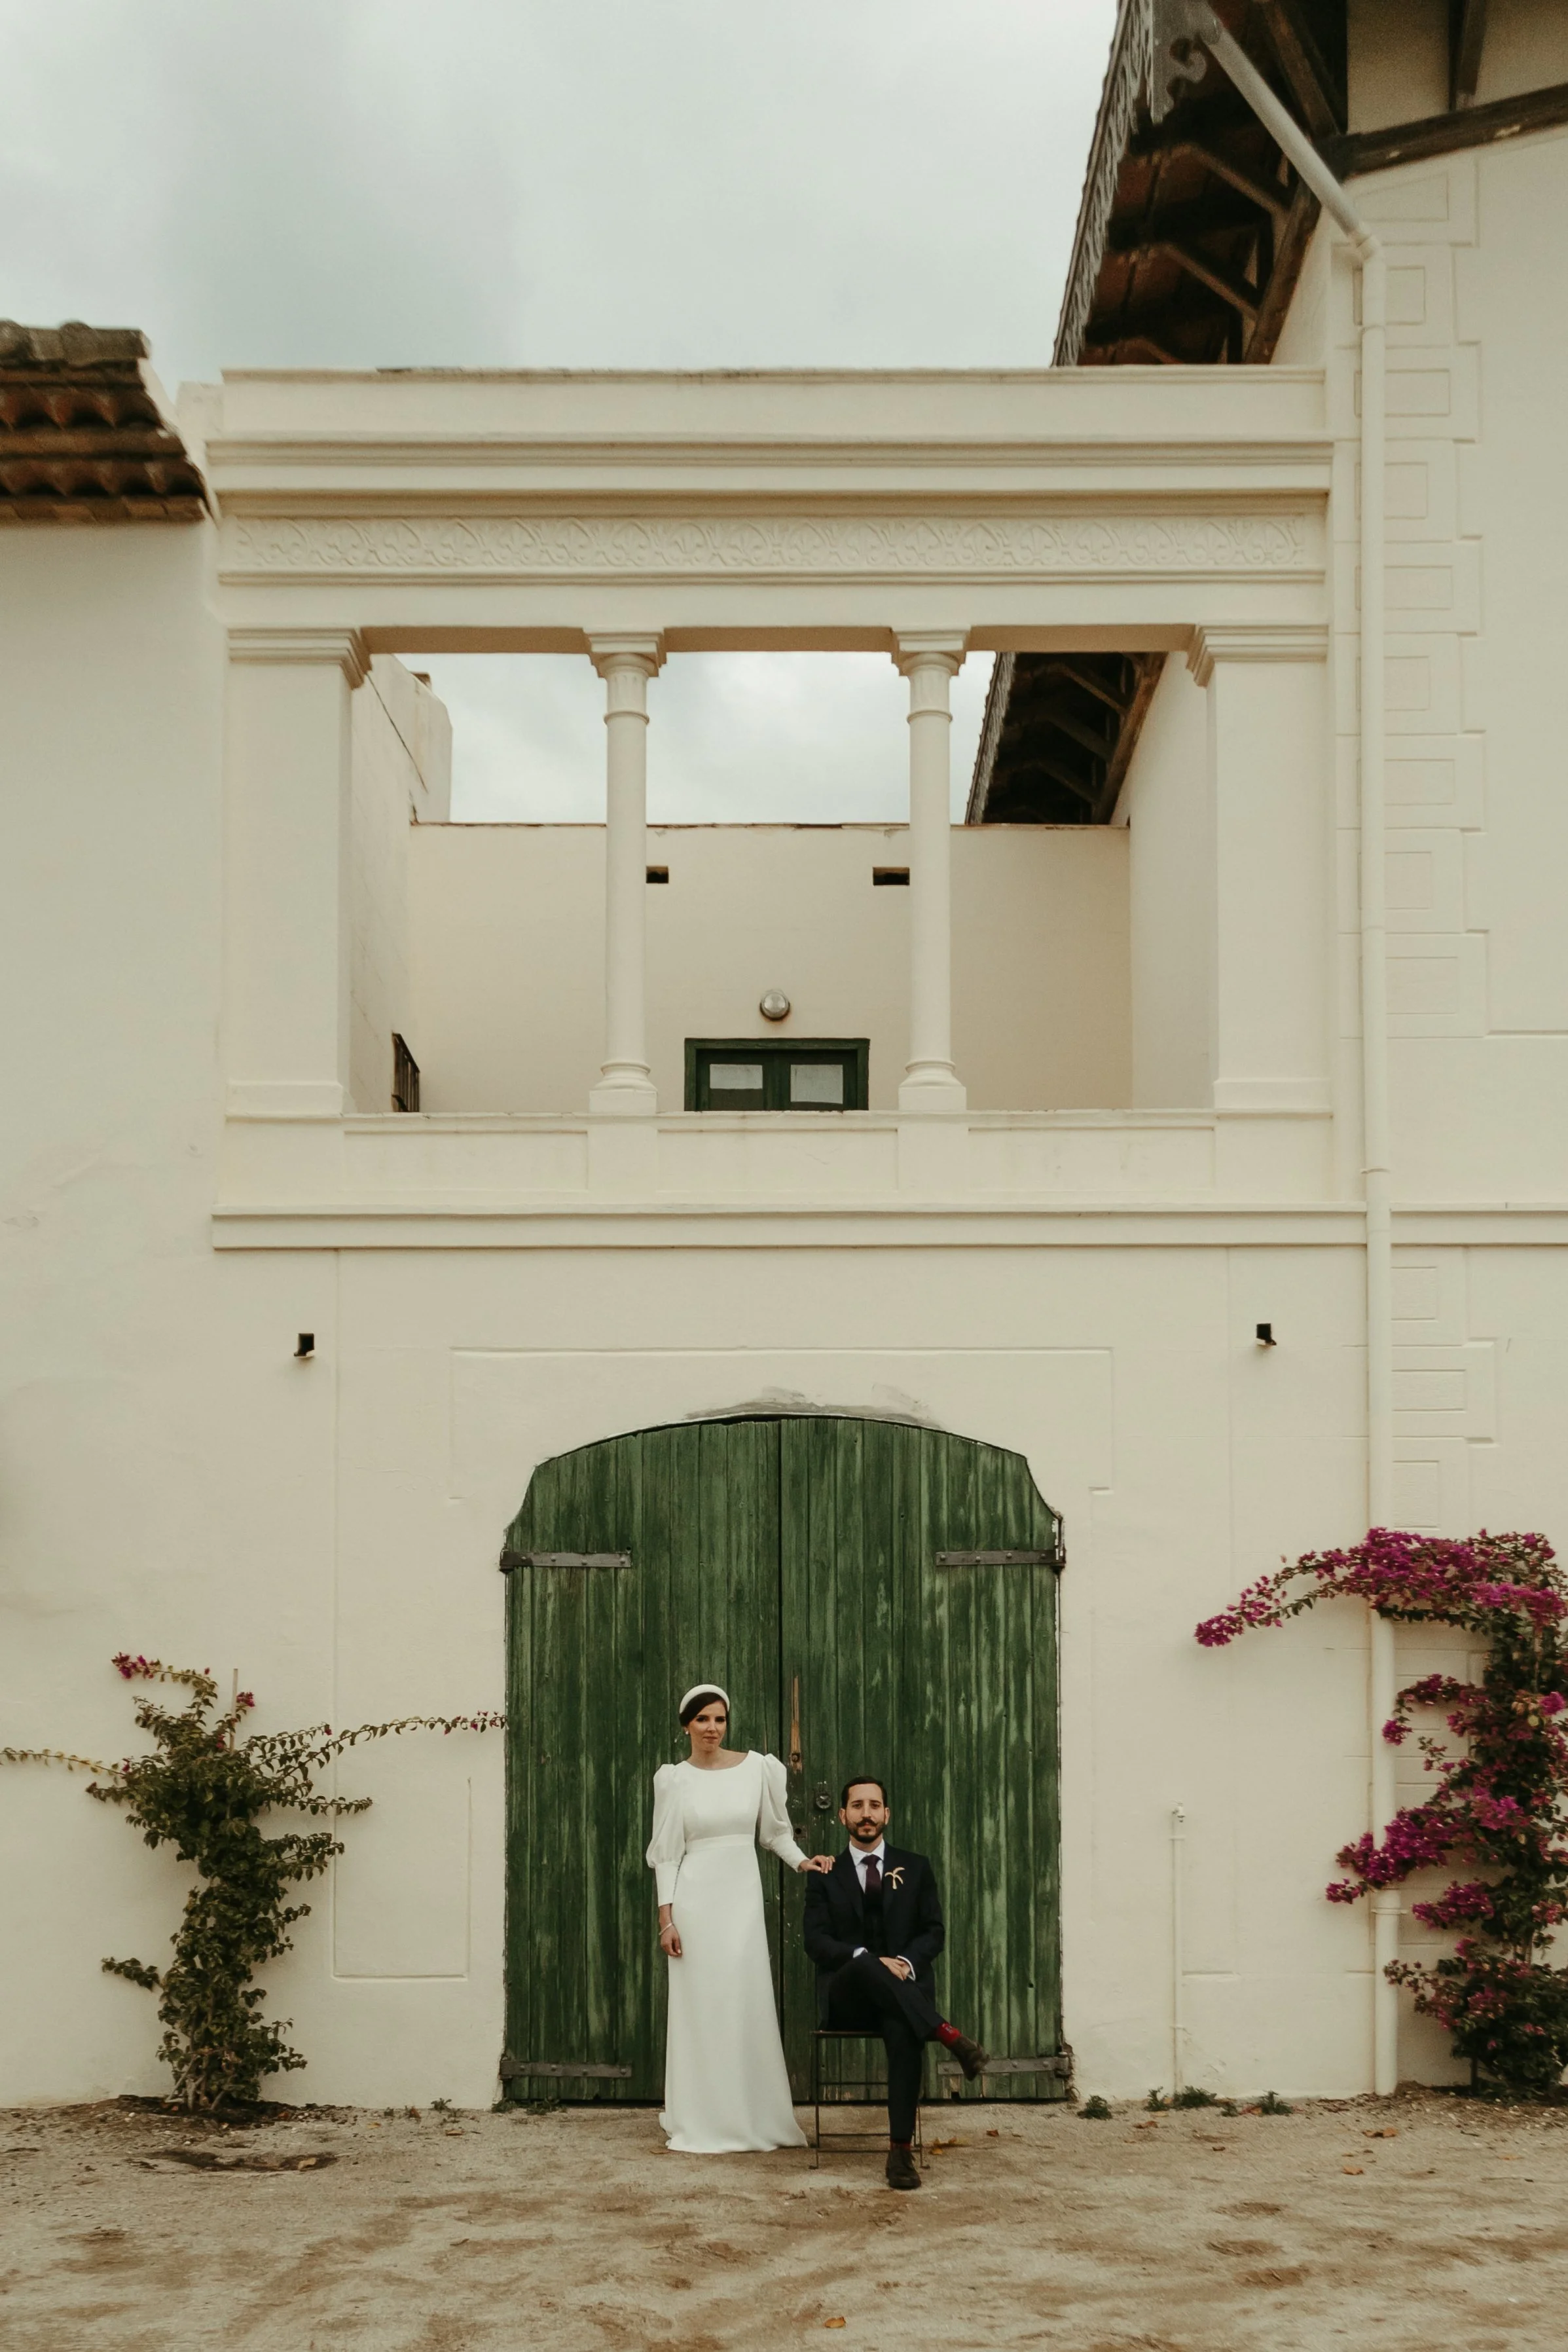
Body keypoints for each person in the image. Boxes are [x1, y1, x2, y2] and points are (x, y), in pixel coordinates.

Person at [646, 1681, 833, 2154]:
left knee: (743, 2000)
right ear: (686, 1725)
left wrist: (801, 1861)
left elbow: (774, 1832)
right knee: (700, 2007)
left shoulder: (758, 1769)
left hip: (741, 1901)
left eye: (719, 1719)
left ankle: (752, 2114)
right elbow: (666, 1853)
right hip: (694, 1900)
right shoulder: (673, 1779)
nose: (712, 1728)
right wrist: (666, 1920)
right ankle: (701, 2115)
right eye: (703, 1719)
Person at [803, 1775, 988, 2191]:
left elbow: (933, 1932)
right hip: (847, 1997)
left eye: (874, 1805)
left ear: (886, 1813)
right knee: (866, 1962)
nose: (865, 1814)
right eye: (857, 1806)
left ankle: (900, 2153)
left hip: (901, 2001)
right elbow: (816, 1942)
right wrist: (870, 1961)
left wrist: (905, 1961)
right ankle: (949, 2035)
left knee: (905, 2028)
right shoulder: (824, 1873)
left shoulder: (916, 1866)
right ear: (842, 1815)